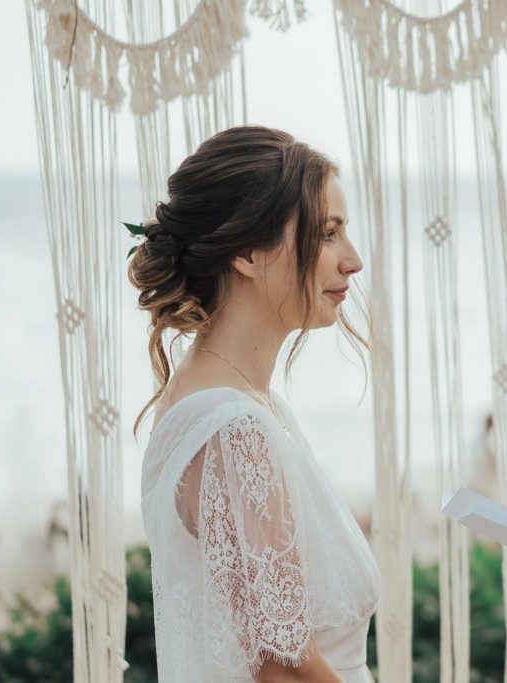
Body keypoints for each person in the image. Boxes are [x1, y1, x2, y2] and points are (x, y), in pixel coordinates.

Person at [131, 126, 379, 682]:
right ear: (247, 250)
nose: (353, 261)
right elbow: (279, 669)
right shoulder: (229, 428)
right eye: (328, 234)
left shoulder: (243, 404)